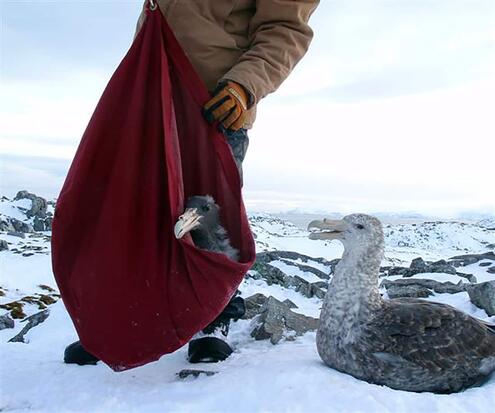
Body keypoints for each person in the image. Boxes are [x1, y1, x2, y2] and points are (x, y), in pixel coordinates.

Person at [64, 0, 319, 366]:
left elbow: (286, 30)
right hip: (150, 98)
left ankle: (211, 323)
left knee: (208, 216)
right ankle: (119, 322)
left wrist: (244, 86)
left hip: (214, 103)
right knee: (130, 211)